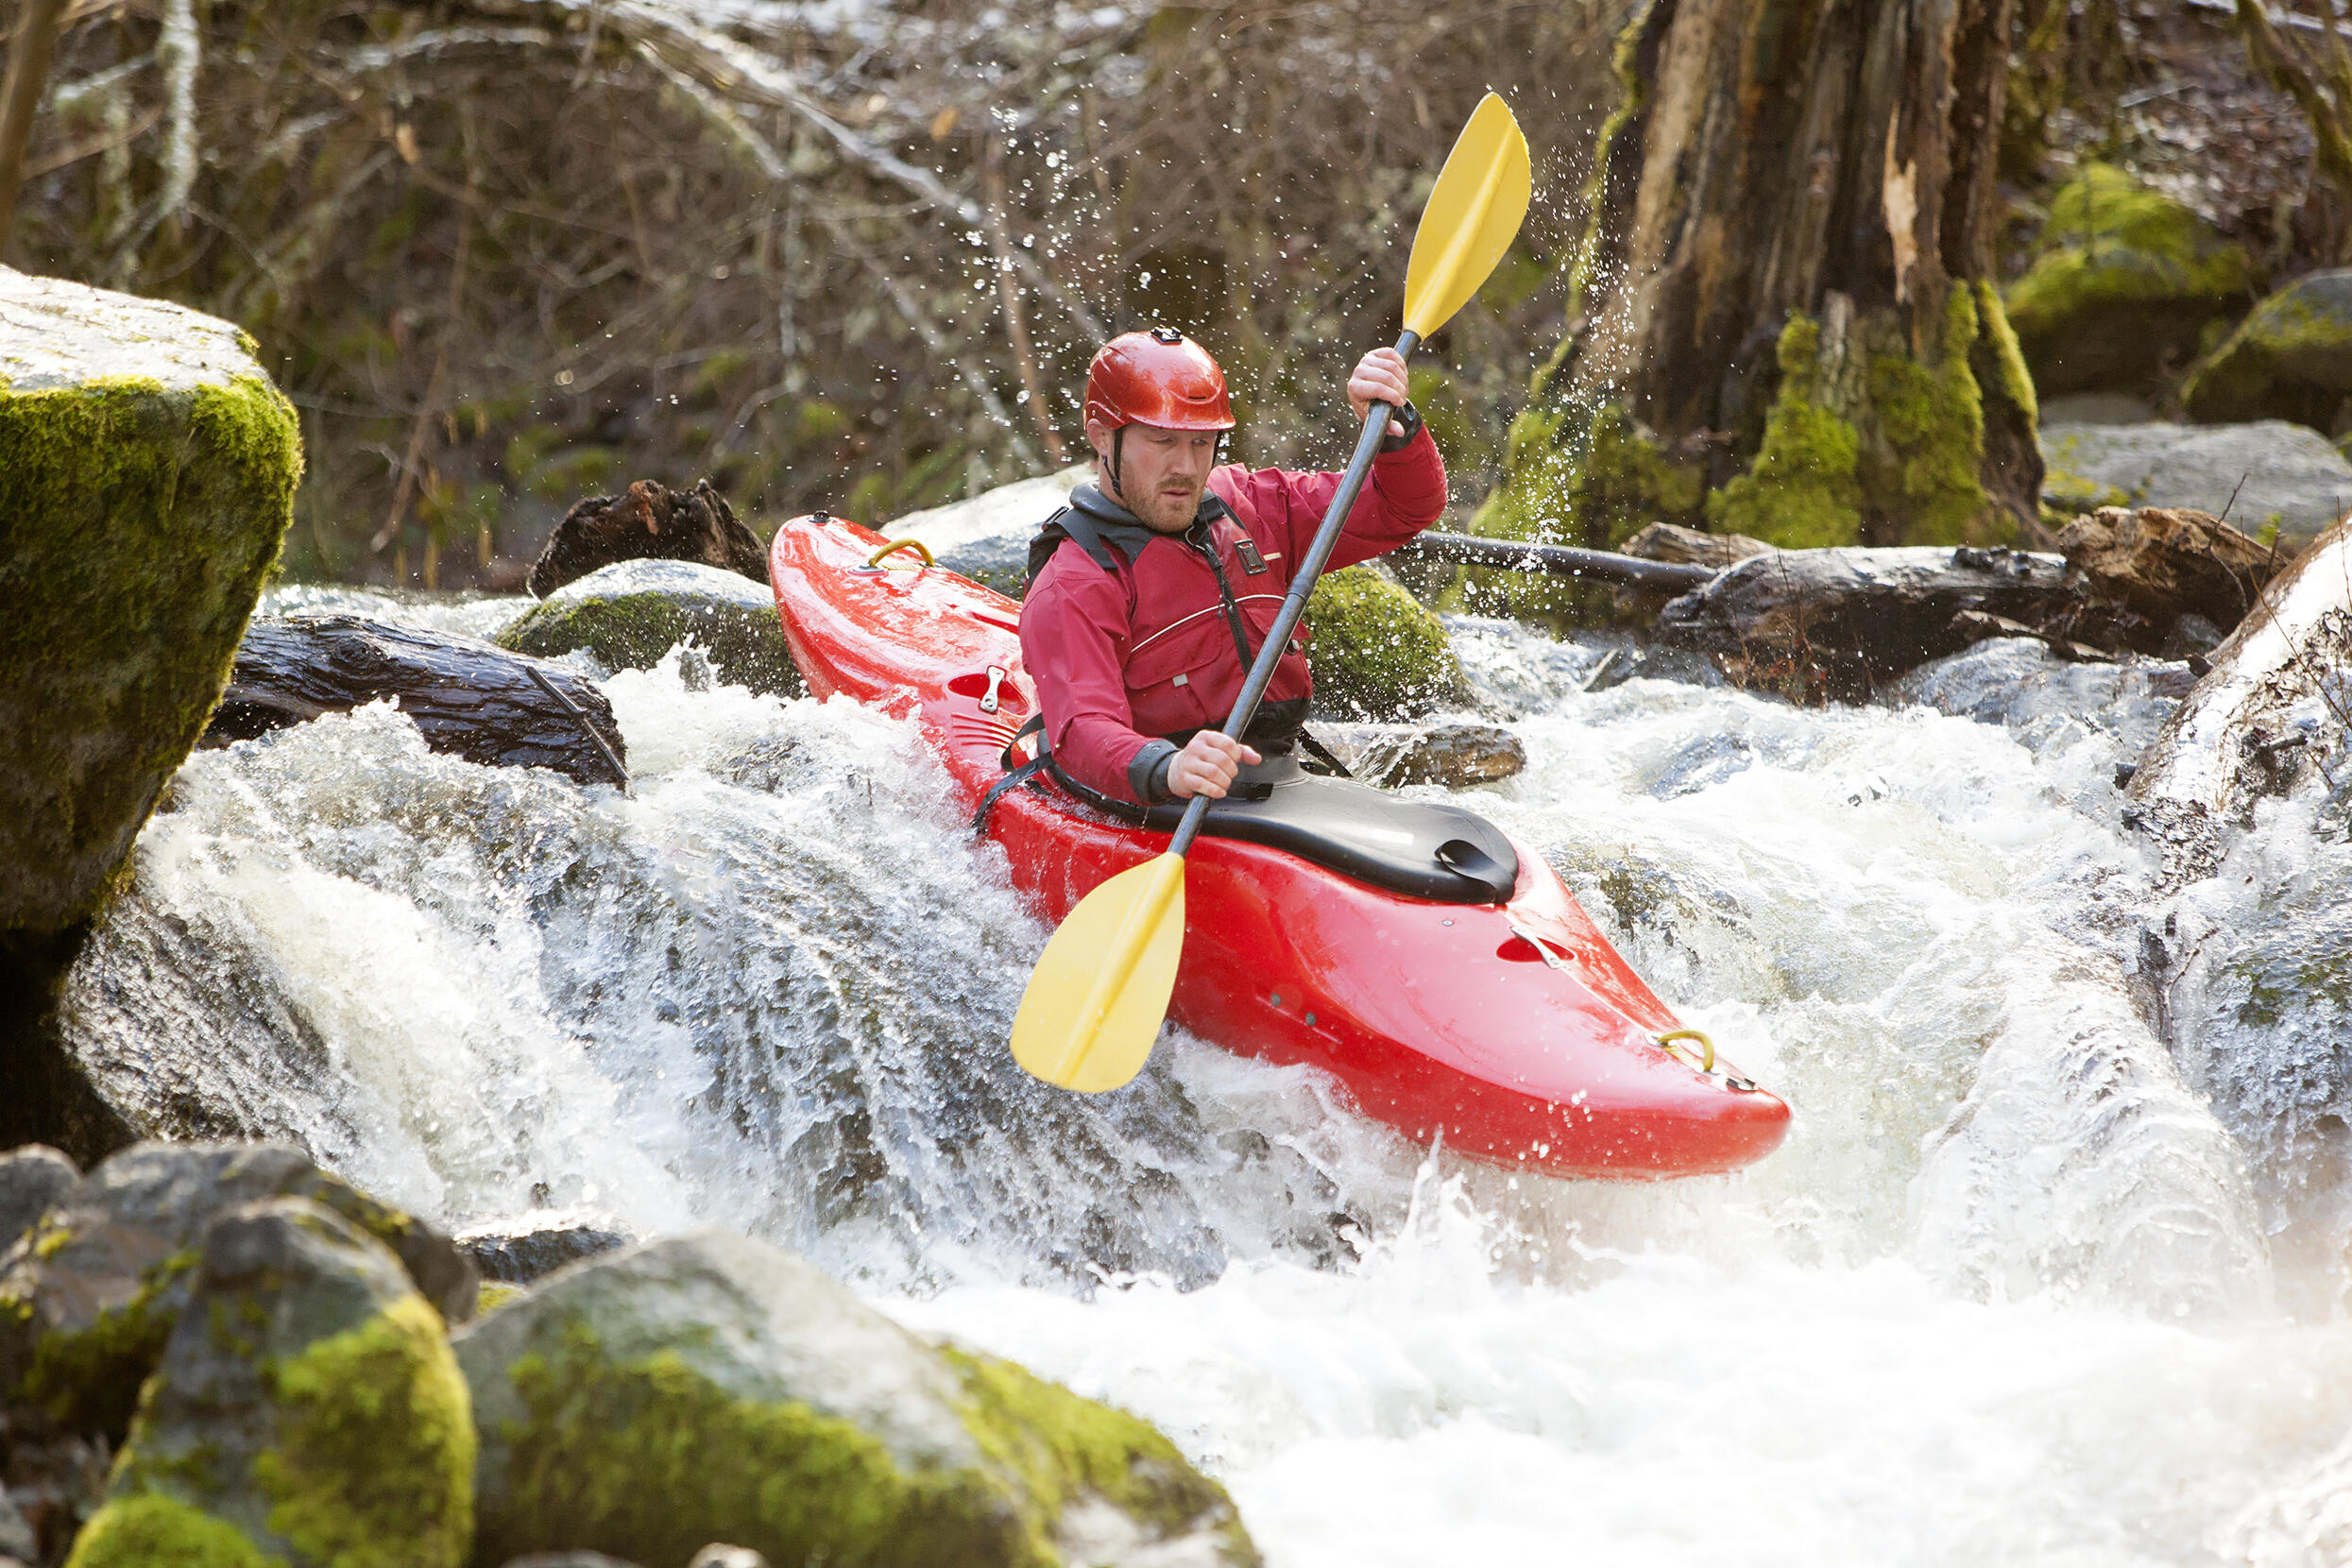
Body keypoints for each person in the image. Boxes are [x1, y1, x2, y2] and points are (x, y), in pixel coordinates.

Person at [1017, 328, 1447, 808]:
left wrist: (1392, 427)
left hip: (1280, 782)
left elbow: (1402, 508)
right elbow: (1082, 730)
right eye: (1163, 441)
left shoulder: (1252, 506)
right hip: (1162, 802)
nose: (1185, 466)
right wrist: (1168, 767)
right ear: (1102, 437)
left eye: (1202, 443)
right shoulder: (1075, 582)